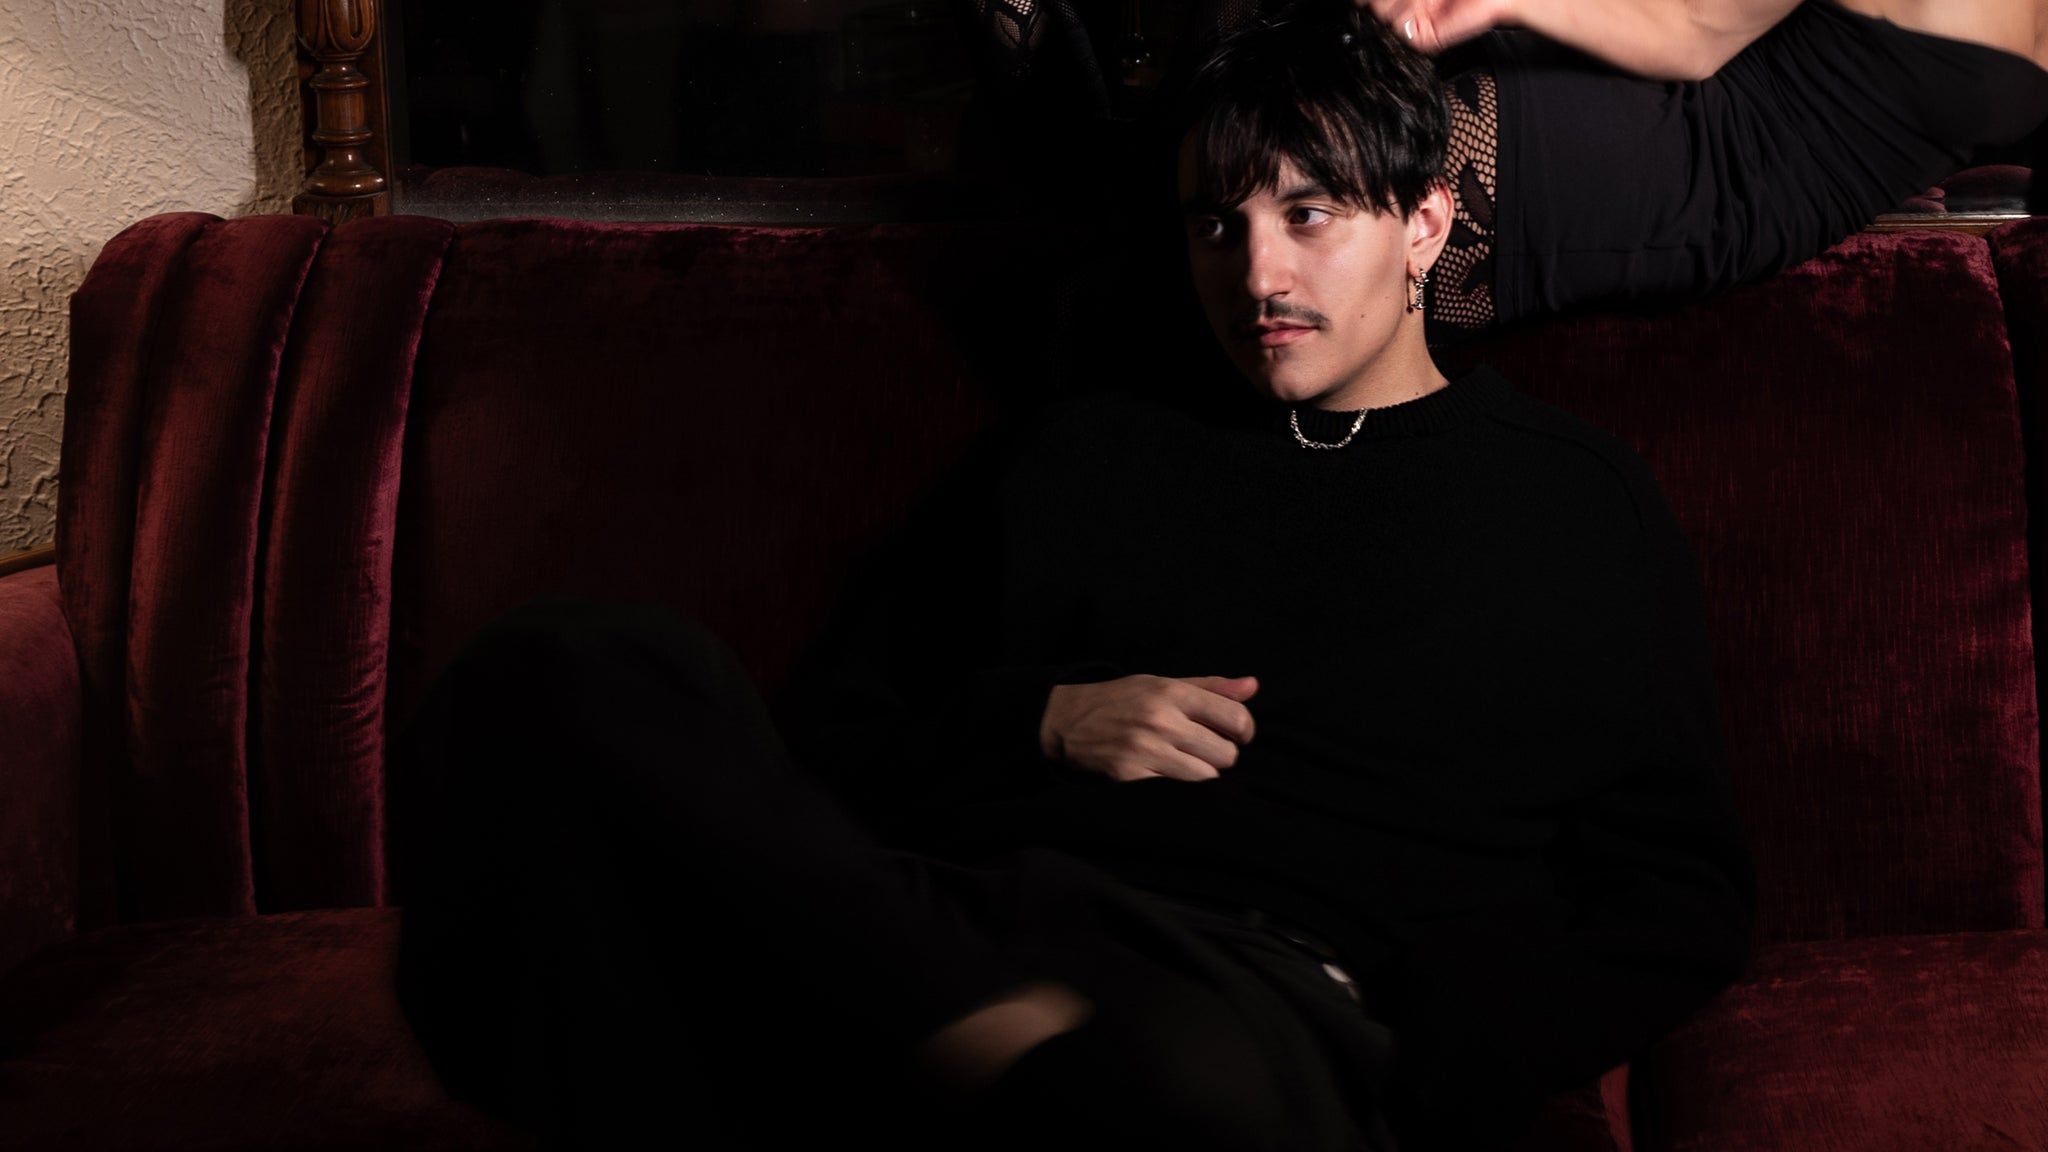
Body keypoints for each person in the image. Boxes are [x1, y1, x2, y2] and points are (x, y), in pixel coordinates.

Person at [392, 3, 1756, 1150]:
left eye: (1308, 214)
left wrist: (1422, 1056)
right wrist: (1036, 721)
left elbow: (1676, 898)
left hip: (1260, 1008)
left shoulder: (1572, 504)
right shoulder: (1086, 453)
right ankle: (960, 1042)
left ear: (1422, 224)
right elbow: (821, 749)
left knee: (1161, 1079)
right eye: (1216, 224)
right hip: (966, 934)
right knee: (565, 669)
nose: (1257, 274)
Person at [956, 0, 2048, 339]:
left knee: (1158, 225)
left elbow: (1696, 31)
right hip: (1674, 144)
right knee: (1205, 184)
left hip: (1692, 162)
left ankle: (1043, 92)